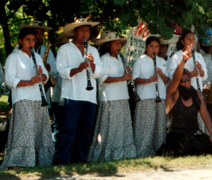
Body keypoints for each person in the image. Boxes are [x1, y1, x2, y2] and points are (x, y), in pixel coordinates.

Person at [0, 28, 54, 169]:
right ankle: (20, 161)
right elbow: (9, 80)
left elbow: (46, 76)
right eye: (28, 40)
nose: (31, 43)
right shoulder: (13, 57)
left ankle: (40, 161)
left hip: (38, 98)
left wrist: (43, 76)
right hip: (23, 99)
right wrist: (29, 82)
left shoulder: (36, 56)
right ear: (20, 41)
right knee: (25, 130)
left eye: (33, 40)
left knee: (39, 130)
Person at [157, 43, 212, 156]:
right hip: (177, 135)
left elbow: (205, 114)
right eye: (183, 81)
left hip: (193, 133)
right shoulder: (173, 93)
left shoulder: (196, 93)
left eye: (188, 80)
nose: (187, 83)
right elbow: (175, 78)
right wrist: (183, 60)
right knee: (180, 151)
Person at [54, 18, 103, 164]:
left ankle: (80, 160)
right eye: (82, 30)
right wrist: (78, 68)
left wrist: (92, 64)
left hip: (89, 96)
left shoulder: (93, 50)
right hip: (72, 95)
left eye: (87, 31)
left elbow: (99, 72)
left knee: (85, 129)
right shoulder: (65, 49)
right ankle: (62, 160)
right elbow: (62, 71)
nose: (85, 34)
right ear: (75, 32)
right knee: (68, 129)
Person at [87, 31, 136, 162]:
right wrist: (122, 78)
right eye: (115, 43)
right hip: (110, 98)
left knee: (121, 127)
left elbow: (123, 77)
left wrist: (127, 76)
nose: (119, 45)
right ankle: (108, 154)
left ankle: (123, 153)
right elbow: (103, 79)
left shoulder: (121, 58)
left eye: (119, 43)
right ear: (108, 45)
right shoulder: (104, 59)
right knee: (110, 128)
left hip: (122, 96)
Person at [19, 21, 61, 141]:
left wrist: (48, 69)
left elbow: (54, 72)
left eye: (41, 33)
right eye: (35, 32)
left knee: (41, 125)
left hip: (43, 92)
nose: (38, 36)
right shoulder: (18, 51)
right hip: (24, 94)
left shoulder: (46, 50)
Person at [132, 36, 169, 157]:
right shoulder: (140, 60)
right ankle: (142, 152)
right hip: (145, 96)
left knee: (159, 125)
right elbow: (135, 79)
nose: (154, 49)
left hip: (160, 96)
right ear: (146, 47)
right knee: (146, 125)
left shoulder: (162, 61)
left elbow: (167, 80)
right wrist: (148, 80)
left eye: (157, 47)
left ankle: (159, 150)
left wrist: (161, 74)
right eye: (151, 46)